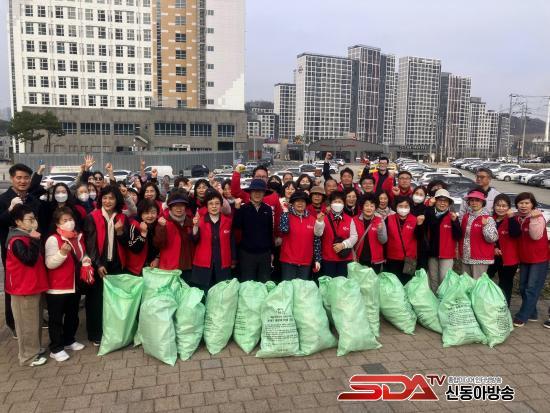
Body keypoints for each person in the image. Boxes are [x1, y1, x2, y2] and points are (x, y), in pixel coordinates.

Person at [0, 163, 44, 338]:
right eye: (19, 177)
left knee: (34, 280)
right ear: (12, 178)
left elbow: (38, 222)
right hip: (12, 249)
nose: (22, 181)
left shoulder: (33, 200)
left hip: (33, 245)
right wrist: (10, 209)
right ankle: (12, 323)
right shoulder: (4, 199)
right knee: (13, 285)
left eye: (26, 178)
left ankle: (36, 318)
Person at [83, 185, 128, 345]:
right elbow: (90, 244)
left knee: (114, 300)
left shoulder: (121, 217)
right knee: (95, 300)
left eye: (111, 198)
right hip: (99, 263)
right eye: (105, 198)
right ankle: (95, 334)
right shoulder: (92, 217)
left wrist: (120, 232)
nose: (108, 201)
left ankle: (112, 330)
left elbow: (126, 243)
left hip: (116, 263)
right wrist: (97, 264)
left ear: (117, 200)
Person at [5, 204, 49, 366]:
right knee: (26, 324)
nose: (33, 222)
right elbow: (29, 259)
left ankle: (34, 349)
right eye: (29, 219)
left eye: (34, 218)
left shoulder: (26, 236)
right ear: (18, 222)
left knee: (35, 321)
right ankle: (28, 356)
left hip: (33, 285)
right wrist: (35, 240)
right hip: (23, 288)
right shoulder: (17, 240)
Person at [44, 207, 89, 362]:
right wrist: (62, 253)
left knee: (72, 315)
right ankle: (56, 348)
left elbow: (82, 255)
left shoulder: (78, 237)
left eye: (71, 219)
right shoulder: (53, 239)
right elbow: (49, 263)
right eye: (65, 220)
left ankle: (69, 340)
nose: (69, 223)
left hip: (74, 285)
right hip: (58, 287)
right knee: (56, 319)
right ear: (58, 223)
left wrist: (86, 260)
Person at [512, 192, 548, 327]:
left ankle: (522, 316)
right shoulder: (517, 217)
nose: (523, 205)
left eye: (527, 203)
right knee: (522, 287)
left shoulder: (538, 218)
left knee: (531, 288)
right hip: (524, 258)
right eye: (521, 203)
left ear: (532, 204)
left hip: (538, 259)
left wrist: (533, 219)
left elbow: (535, 236)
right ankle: (532, 313)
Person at [190, 190, 236, 292]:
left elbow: (232, 241)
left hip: (223, 263)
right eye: (210, 204)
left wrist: (233, 259)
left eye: (217, 203)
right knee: (204, 293)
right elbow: (194, 240)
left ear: (221, 205)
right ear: (206, 206)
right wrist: (195, 226)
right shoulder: (200, 221)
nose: (214, 206)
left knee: (222, 293)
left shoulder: (228, 221)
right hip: (203, 264)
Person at [233, 179, 274, 282]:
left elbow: (270, 231)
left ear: (264, 193)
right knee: (247, 283)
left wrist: (272, 252)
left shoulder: (268, 209)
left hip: (264, 253)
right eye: (254, 191)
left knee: (264, 283)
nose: (257, 194)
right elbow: (236, 226)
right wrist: (237, 209)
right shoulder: (243, 208)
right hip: (247, 253)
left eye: (260, 191)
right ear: (250, 193)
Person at [423, 189, 462, 292]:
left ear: (449, 203)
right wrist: (429, 207)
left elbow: (458, 236)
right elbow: (429, 223)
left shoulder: (452, 216)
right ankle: (433, 300)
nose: (442, 203)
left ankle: (443, 300)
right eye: (440, 200)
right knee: (433, 280)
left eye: (445, 201)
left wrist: (455, 222)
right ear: (435, 201)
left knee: (444, 280)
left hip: (446, 255)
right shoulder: (430, 214)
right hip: (432, 254)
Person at [279, 191, 323, 280]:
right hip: (288, 261)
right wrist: (285, 211)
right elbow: (283, 229)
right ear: (293, 203)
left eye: (302, 201)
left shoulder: (312, 219)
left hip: (305, 262)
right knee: (288, 287)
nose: (300, 203)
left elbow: (316, 241)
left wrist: (317, 259)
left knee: (302, 288)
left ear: (306, 203)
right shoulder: (286, 216)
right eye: (297, 201)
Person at [487, 194, 521, 307]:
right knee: (485, 280)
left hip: (508, 259)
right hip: (492, 257)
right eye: (498, 205)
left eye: (504, 206)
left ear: (509, 207)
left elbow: (515, 234)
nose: (501, 208)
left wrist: (511, 218)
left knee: (505, 285)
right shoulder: (490, 219)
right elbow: (486, 237)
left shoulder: (513, 219)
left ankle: (504, 309)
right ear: (494, 206)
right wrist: (493, 248)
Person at [153, 190, 195, 278]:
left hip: (188, 266)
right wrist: (162, 228)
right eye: (175, 205)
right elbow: (159, 244)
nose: (179, 208)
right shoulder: (163, 222)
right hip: (169, 267)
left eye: (182, 205)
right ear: (170, 207)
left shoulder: (191, 222)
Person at [459, 188, 498, 279]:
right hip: (466, 257)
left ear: (482, 202)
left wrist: (485, 226)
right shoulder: (466, 217)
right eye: (472, 200)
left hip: (480, 258)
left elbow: (492, 238)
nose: (474, 203)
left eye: (477, 200)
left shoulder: (488, 218)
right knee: (465, 284)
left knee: (478, 285)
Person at [384, 196, 424, 285]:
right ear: (396, 207)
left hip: (409, 259)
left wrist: (420, 225)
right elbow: (384, 239)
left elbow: (420, 238)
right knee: (393, 284)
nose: (403, 208)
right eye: (400, 206)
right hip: (392, 258)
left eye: (406, 206)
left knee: (407, 284)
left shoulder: (415, 219)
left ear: (410, 207)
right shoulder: (389, 219)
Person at [320, 191, 358, 277]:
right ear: (330, 204)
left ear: (344, 203)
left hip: (345, 258)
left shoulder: (349, 219)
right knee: (329, 282)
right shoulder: (324, 218)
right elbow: (318, 234)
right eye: (335, 201)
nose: (337, 204)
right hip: (328, 258)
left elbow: (354, 236)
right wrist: (319, 222)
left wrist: (343, 245)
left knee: (343, 283)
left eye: (340, 202)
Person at [353, 193, 387, 273]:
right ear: (362, 207)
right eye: (366, 205)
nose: (369, 208)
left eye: (372, 206)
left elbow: (383, 241)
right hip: (359, 259)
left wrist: (380, 231)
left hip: (375, 260)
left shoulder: (380, 220)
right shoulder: (354, 220)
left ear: (375, 208)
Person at [125, 199, 160, 275]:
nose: (150, 216)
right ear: (140, 214)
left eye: (153, 212)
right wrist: (143, 234)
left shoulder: (158, 225)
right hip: (136, 268)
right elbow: (134, 249)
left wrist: (157, 258)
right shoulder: (134, 225)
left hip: (153, 266)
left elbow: (162, 245)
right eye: (146, 213)